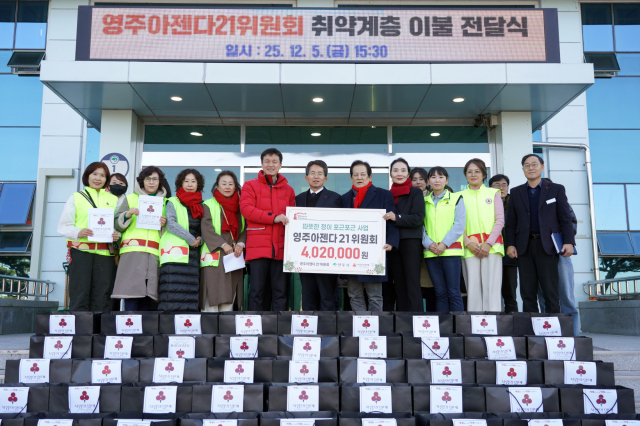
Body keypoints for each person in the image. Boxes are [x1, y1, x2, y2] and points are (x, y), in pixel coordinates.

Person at [505, 154, 575, 313]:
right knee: (527, 292)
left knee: (550, 291)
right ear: (523, 169)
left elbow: (565, 218)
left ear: (542, 167)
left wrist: (569, 241)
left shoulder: (556, 189)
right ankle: (530, 326)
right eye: (527, 165)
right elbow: (511, 222)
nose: (531, 168)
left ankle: (553, 326)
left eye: (534, 164)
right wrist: (510, 244)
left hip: (547, 246)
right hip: (524, 247)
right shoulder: (516, 192)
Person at [57, 162, 120, 311]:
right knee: (80, 292)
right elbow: (63, 226)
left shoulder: (113, 199)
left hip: (105, 253)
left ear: (106, 179)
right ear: (87, 176)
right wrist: (78, 232)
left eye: (102, 175)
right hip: (81, 251)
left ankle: (98, 326)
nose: (98, 178)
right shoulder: (76, 197)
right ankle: (80, 325)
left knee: (102, 294)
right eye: (95, 174)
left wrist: (116, 234)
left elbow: (117, 225)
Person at [240, 148, 295, 311]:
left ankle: (279, 325)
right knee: (257, 292)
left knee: (280, 293)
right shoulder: (250, 185)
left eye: (274, 162)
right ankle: (253, 325)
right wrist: (273, 217)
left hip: (281, 249)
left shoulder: (289, 190)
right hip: (258, 248)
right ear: (262, 164)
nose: (271, 165)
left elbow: (293, 218)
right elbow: (247, 210)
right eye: (267, 161)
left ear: (280, 165)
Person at [341, 160, 399, 312]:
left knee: (375, 296)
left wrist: (391, 242)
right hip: (351, 255)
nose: (359, 177)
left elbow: (392, 223)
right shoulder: (344, 198)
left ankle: (374, 325)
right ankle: (360, 324)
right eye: (355, 175)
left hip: (373, 253)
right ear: (351, 178)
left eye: (363, 174)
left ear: (370, 177)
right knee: (354, 295)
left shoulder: (383, 195)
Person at [111, 166, 168, 311]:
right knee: (131, 293)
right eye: (148, 179)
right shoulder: (131, 198)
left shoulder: (166, 202)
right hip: (132, 251)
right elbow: (117, 224)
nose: (151, 182)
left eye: (155, 179)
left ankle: (145, 326)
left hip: (154, 253)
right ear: (142, 181)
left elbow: (169, 230)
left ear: (160, 181)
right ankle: (129, 324)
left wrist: (164, 224)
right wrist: (127, 214)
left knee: (149, 295)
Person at [295, 160, 342, 311]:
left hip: (326, 256)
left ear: (325, 178)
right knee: (308, 295)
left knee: (327, 296)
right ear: (306, 178)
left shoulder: (335, 198)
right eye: (312, 173)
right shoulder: (298, 199)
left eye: (320, 173)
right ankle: (308, 325)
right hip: (305, 255)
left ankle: (327, 325)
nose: (316, 176)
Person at [536, 179, 580, 335]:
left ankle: (573, 335)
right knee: (544, 296)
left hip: (560, 252)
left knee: (566, 295)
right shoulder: (533, 204)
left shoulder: (559, 200)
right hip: (540, 254)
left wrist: (566, 240)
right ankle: (548, 334)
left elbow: (570, 221)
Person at [460, 159, 505, 312]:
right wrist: (468, 243)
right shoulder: (459, 196)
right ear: (465, 175)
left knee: (492, 289)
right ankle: (475, 323)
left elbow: (500, 220)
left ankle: (493, 323)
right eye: (469, 172)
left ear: (484, 175)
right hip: (469, 248)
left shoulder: (493, 193)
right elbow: (456, 224)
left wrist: (488, 243)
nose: (473, 174)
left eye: (477, 171)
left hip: (492, 247)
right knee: (473, 289)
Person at [200, 171, 247, 312]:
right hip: (214, 255)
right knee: (211, 297)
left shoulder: (241, 206)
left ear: (235, 186)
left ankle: (225, 326)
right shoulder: (208, 204)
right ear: (217, 186)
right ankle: (209, 327)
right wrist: (223, 244)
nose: (227, 187)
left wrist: (241, 243)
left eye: (231, 184)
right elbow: (206, 228)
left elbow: (246, 228)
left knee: (229, 296)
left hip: (234, 256)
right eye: (224, 183)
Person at [158, 168, 204, 311]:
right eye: (186, 181)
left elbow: (205, 228)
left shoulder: (202, 205)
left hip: (193, 256)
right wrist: (191, 239)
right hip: (174, 256)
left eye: (193, 181)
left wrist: (200, 240)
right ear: (180, 183)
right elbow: (171, 224)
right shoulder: (172, 201)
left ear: (198, 184)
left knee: (189, 296)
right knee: (171, 295)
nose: (190, 184)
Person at [422, 167, 466, 312]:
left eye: (441, 177)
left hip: (451, 252)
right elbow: (420, 226)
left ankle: (458, 325)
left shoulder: (456, 198)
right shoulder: (424, 201)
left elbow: (459, 225)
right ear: (428, 181)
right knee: (439, 293)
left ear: (446, 180)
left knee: (453, 292)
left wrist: (444, 244)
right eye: (433, 177)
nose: (437, 180)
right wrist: (428, 244)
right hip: (431, 252)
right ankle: (443, 325)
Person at [385, 158, 426, 312]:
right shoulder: (388, 194)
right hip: (394, 243)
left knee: (412, 283)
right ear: (391, 174)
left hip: (411, 242)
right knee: (399, 284)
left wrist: (397, 217)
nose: (399, 174)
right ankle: (402, 320)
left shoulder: (415, 192)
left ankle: (416, 319)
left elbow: (418, 218)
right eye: (395, 170)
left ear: (408, 174)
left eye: (403, 170)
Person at [489, 174, 519, 313]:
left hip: (509, 253)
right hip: (490, 251)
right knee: (491, 291)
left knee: (510, 293)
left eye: (504, 185)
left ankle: (512, 321)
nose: (501, 188)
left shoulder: (515, 203)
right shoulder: (486, 203)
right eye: (497, 185)